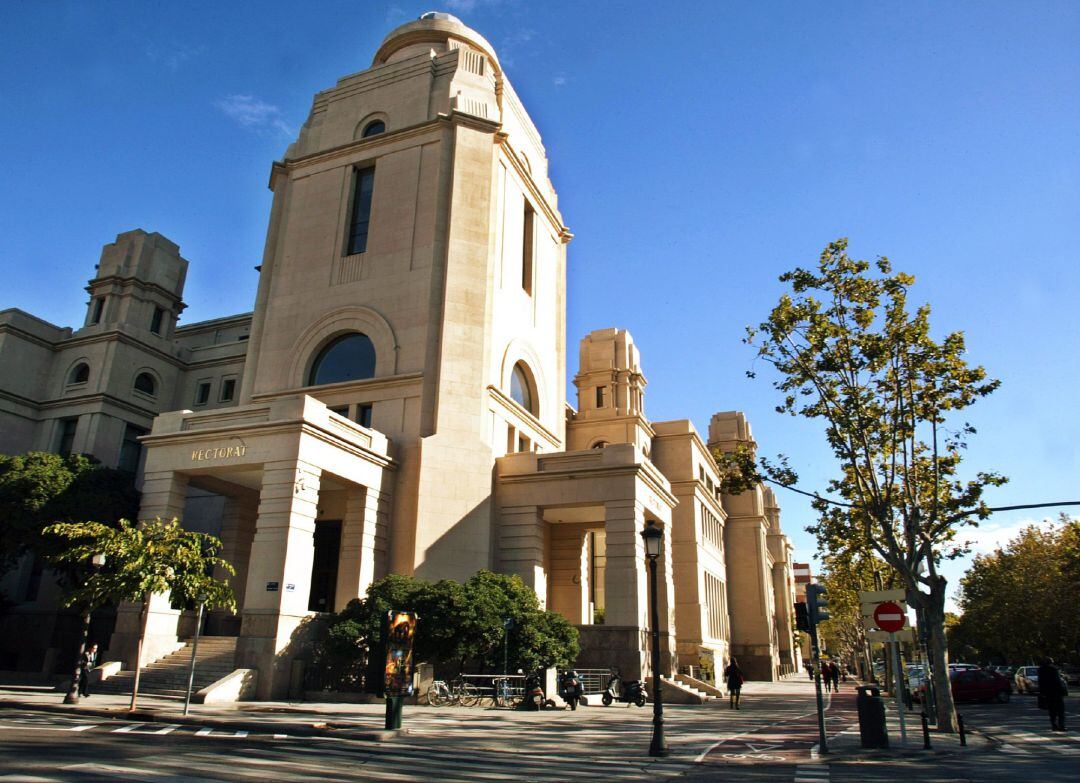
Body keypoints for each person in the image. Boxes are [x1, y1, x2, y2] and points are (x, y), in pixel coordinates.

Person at [1037, 657, 1067, 732]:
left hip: (1047, 693)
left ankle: (1054, 725)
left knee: (1052, 711)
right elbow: (1058, 681)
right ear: (1051, 662)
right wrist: (1062, 691)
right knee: (1060, 711)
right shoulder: (1054, 669)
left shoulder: (1041, 670)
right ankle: (1061, 726)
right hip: (1056, 692)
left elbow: (1040, 682)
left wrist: (1042, 692)